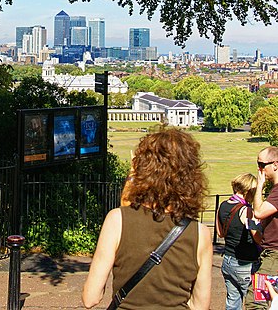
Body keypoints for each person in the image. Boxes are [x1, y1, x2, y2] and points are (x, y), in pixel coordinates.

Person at [82, 127, 213, 310]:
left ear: (143, 169)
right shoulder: (200, 233)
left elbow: (90, 298)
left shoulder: (117, 220)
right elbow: (200, 305)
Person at [216, 173, 261, 310]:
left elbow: (220, 233)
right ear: (248, 191)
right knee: (255, 303)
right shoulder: (247, 211)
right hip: (246, 264)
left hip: (228, 261)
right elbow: (258, 238)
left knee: (233, 301)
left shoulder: (222, 206)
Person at [245, 146, 278, 310]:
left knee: (255, 302)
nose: (259, 169)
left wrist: (259, 186)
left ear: (275, 164)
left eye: (261, 164)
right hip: (269, 255)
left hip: (274, 258)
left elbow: (258, 212)